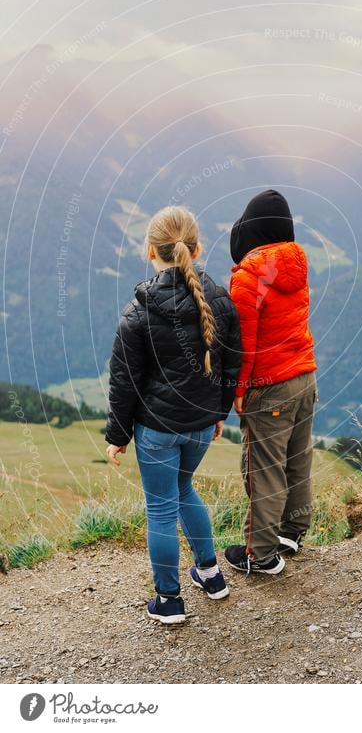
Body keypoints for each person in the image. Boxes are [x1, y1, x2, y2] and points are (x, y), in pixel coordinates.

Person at [105, 206, 241, 624]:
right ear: (197, 249)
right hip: (201, 425)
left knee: (162, 508)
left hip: (158, 431)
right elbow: (229, 363)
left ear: (151, 251)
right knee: (184, 491)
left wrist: (118, 434)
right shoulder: (219, 301)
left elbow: (124, 382)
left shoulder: (138, 314)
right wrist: (218, 413)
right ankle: (211, 574)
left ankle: (169, 601)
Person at [224, 190, 318, 575]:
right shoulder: (297, 264)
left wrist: (240, 390)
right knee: (298, 459)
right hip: (305, 376)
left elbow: (243, 345)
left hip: (270, 386)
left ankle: (260, 554)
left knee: (264, 469)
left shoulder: (248, 280)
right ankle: (292, 531)